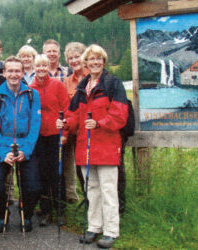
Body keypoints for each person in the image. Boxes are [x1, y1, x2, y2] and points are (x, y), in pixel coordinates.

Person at [56, 44, 128, 248]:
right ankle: (94, 227)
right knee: (92, 189)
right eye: (92, 59)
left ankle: (111, 230)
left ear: (103, 62)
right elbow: (73, 115)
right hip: (85, 147)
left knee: (108, 190)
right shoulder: (82, 88)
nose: (95, 62)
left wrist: (99, 123)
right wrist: (65, 123)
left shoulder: (113, 84)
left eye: (99, 59)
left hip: (106, 145)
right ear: (86, 63)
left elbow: (120, 115)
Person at [0, 56, 41, 233]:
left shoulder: (32, 95)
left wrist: (26, 150)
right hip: (3, 145)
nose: (14, 74)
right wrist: (3, 153)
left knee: (33, 187)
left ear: (22, 72)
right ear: (4, 72)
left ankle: (27, 212)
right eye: (10, 70)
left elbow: (35, 125)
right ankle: (3, 213)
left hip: (25, 144)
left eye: (17, 71)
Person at [29, 54, 69, 226]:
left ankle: (61, 210)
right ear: (34, 68)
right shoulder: (30, 88)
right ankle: (45, 210)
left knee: (57, 174)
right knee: (42, 175)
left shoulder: (57, 85)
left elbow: (66, 109)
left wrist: (65, 133)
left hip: (56, 136)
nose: (41, 69)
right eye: (38, 66)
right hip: (39, 137)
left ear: (48, 67)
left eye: (44, 66)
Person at [62, 42, 88, 203]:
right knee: (70, 166)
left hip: (87, 130)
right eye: (70, 58)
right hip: (72, 130)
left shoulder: (91, 77)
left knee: (86, 166)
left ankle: (89, 198)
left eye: (77, 56)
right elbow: (66, 108)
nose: (73, 61)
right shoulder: (68, 81)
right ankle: (71, 197)